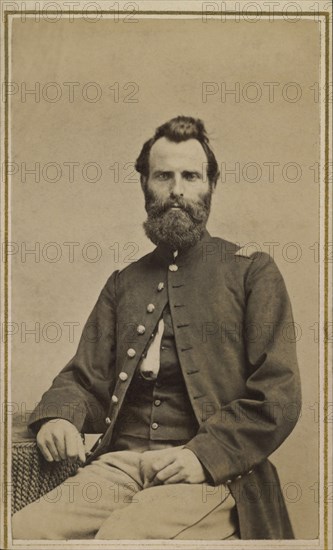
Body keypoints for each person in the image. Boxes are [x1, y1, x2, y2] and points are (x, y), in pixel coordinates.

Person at [12, 116, 301, 540]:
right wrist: (59, 417)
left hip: (212, 475)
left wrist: (204, 456)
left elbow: (279, 393)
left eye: (191, 176)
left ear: (211, 186)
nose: (177, 190)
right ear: (145, 185)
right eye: (164, 176)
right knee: (23, 531)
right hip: (119, 465)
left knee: (119, 540)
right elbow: (83, 378)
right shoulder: (122, 283)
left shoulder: (251, 272)